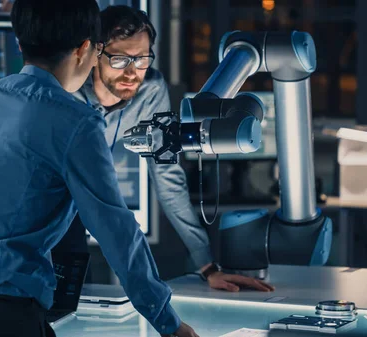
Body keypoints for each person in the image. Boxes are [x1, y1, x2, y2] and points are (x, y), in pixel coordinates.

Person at [0, 1, 199, 336]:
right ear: (87, 49)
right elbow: (117, 232)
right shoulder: (75, 122)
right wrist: (169, 323)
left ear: (20, 44)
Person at [58, 5, 275, 293]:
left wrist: (207, 265)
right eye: (121, 59)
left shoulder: (150, 90)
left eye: (142, 59)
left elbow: (168, 178)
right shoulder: (64, 91)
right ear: (96, 53)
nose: (133, 72)